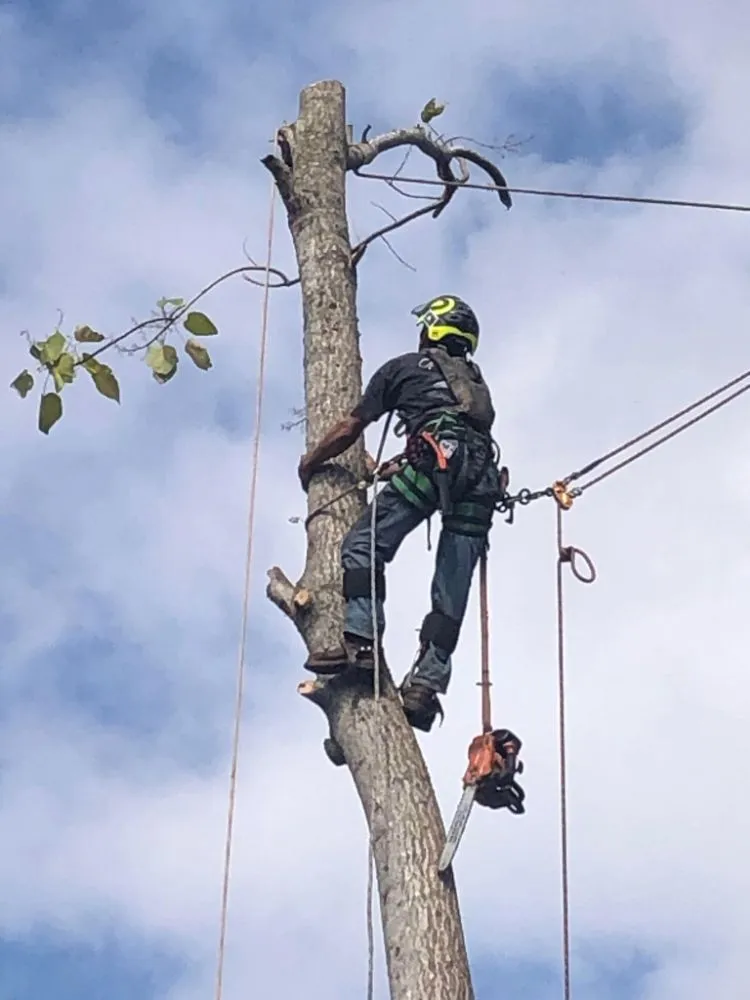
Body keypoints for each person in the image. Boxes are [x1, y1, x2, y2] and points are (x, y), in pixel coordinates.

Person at [297, 295, 504, 733]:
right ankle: (425, 687)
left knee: (362, 545)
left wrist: (312, 460)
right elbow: (457, 435)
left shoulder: (404, 368)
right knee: (451, 590)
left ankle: (362, 644)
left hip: (435, 465)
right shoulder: (474, 385)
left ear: (431, 328)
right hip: (479, 480)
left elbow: (350, 428)